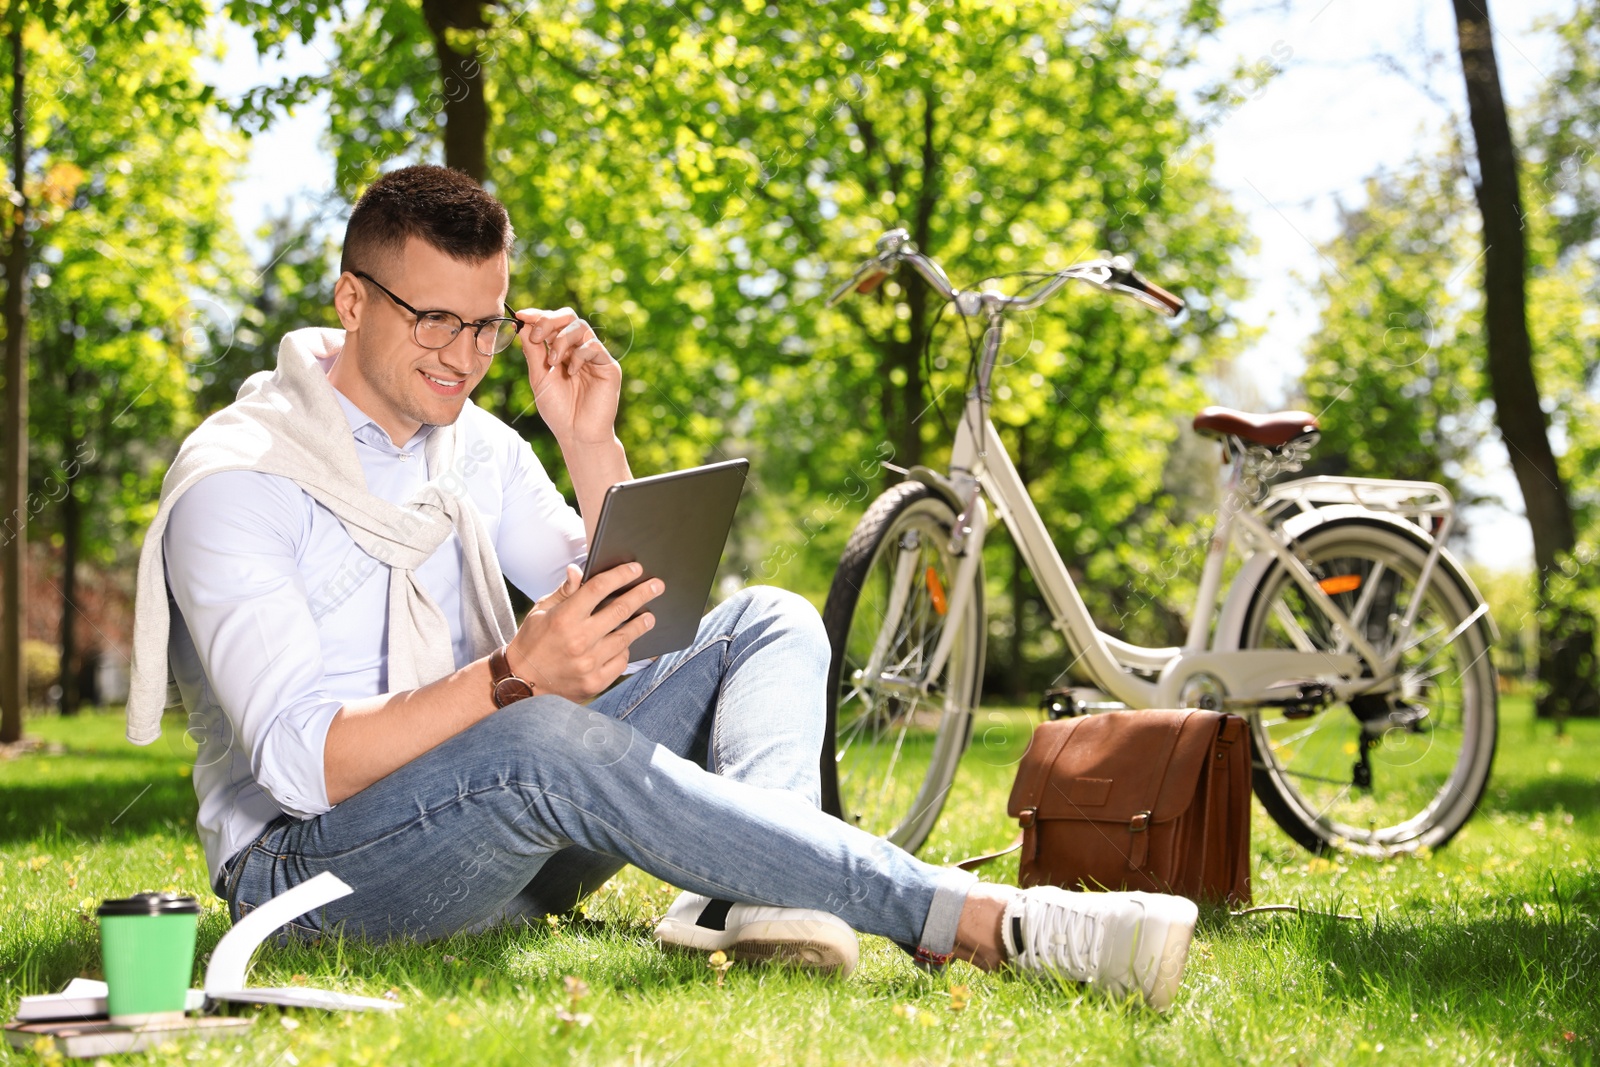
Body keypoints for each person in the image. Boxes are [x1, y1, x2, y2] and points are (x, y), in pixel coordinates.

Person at [126, 164, 1198, 1010]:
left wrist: (590, 443)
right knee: (536, 729)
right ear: (350, 299)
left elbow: (643, 628)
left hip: (504, 838)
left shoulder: (474, 444)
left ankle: (772, 894)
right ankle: (984, 922)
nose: (462, 356)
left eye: (486, 323)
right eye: (431, 320)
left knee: (765, 618)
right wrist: (508, 678)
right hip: (314, 879)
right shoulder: (240, 484)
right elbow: (302, 767)